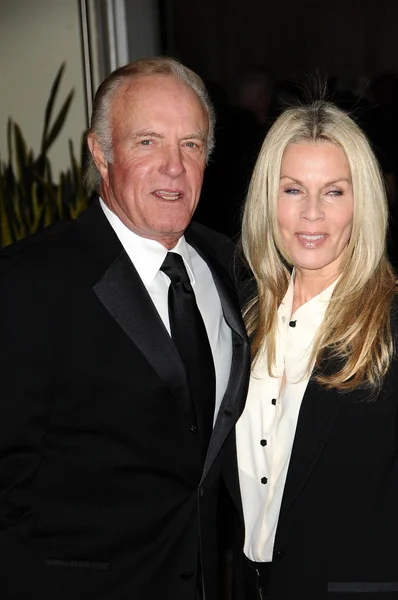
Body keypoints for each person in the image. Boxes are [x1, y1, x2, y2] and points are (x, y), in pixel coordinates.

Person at [0, 57, 250, 600]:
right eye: (147, 142)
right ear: (99, 153)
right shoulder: (28, 282)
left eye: (190, 144)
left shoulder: (229, 264)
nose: (173, 167)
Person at [235, 100, 398, 599]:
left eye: (333, 192)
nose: (311, 213)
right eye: (292, 190)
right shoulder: (240, 316)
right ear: (269, 199)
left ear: (362, 202)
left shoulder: (390, 324)